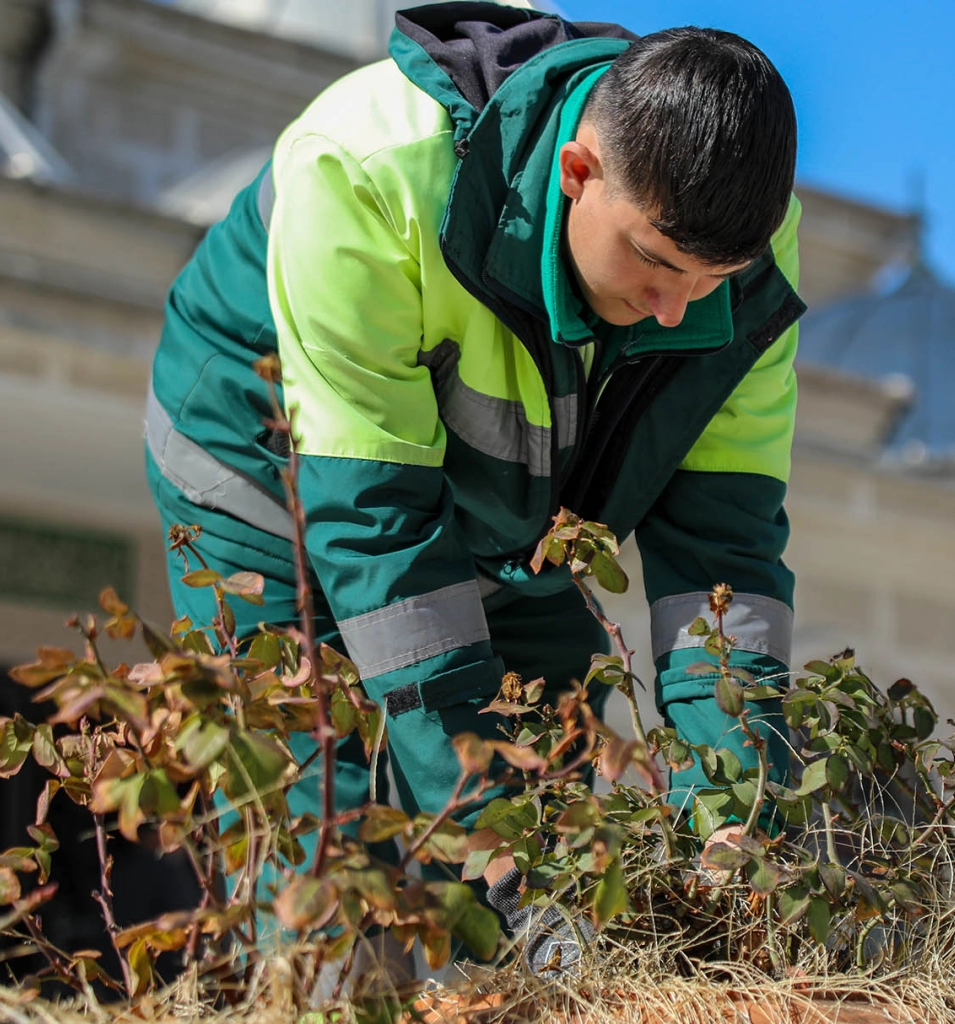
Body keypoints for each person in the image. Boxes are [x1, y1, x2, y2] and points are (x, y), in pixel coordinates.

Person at [144, 1, 803, 972]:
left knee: (556, 818)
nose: (675, 310)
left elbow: (724, 556)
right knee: (326, 855)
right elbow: (376, 531)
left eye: (712, 279)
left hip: (511, 514)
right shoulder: (370, 168)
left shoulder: (748, 245)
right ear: (579, 173)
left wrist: (739, 816)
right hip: (269, 480)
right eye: (657, 264)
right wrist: (496, 853)